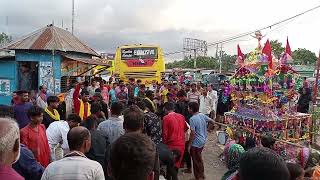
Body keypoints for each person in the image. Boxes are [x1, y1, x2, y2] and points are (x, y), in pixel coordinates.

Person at [187, 101, 214, 180]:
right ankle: (201, 175)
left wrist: (189, 145)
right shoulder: (202, 115)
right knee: (199, 159)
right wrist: (207, 130)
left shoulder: (192, 119)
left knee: (195, 161)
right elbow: (212, 121)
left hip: (196, 143)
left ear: (191, 109)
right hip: (202, 140)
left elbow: (192, 133)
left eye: (188, 108)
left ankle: (198, 177)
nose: (188, 109)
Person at [162, 102, 188, 168]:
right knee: (176, 165)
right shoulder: (181, 116)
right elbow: (185, 128)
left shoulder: (166, 118)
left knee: (170, 166)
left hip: (171, 145)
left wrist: (164, 146)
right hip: (182, 144)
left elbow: (165, 134)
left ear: (165, 109)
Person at [175, 89, 192, 173]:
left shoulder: (189, 104)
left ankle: (188, 166)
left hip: (188, 127)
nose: (179, 100)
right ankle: (184, 162)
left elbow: (187, 117)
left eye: (179, 98)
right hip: (185, 125)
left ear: (183, 96)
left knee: (186, 147)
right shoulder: (184, 103)